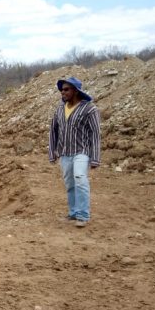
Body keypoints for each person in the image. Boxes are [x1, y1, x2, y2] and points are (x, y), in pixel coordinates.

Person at [48, 77, 101, 228]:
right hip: (65, 153)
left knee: (80, 178)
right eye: (61, 90)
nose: (62, 92)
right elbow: (53, 131)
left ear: (76, 91)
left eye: (66, 89)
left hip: (81, 152)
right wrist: (53, 152)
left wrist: (95, 158)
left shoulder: (89, 109)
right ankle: (73, 213)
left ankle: (83, 215)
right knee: (70, 184)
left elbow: (95, 134)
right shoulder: (59, 109)